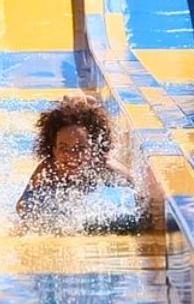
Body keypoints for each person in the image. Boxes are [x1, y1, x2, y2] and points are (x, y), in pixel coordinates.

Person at [16, 95, 138, 231]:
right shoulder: (49, 168)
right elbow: (22, 206)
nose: (72, 156)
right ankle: (77, 101)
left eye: (80, 148)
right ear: (54, 150)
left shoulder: (102, 166)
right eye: (64, 148)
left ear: (93, 148)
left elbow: (139, 189)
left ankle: (83, 102)